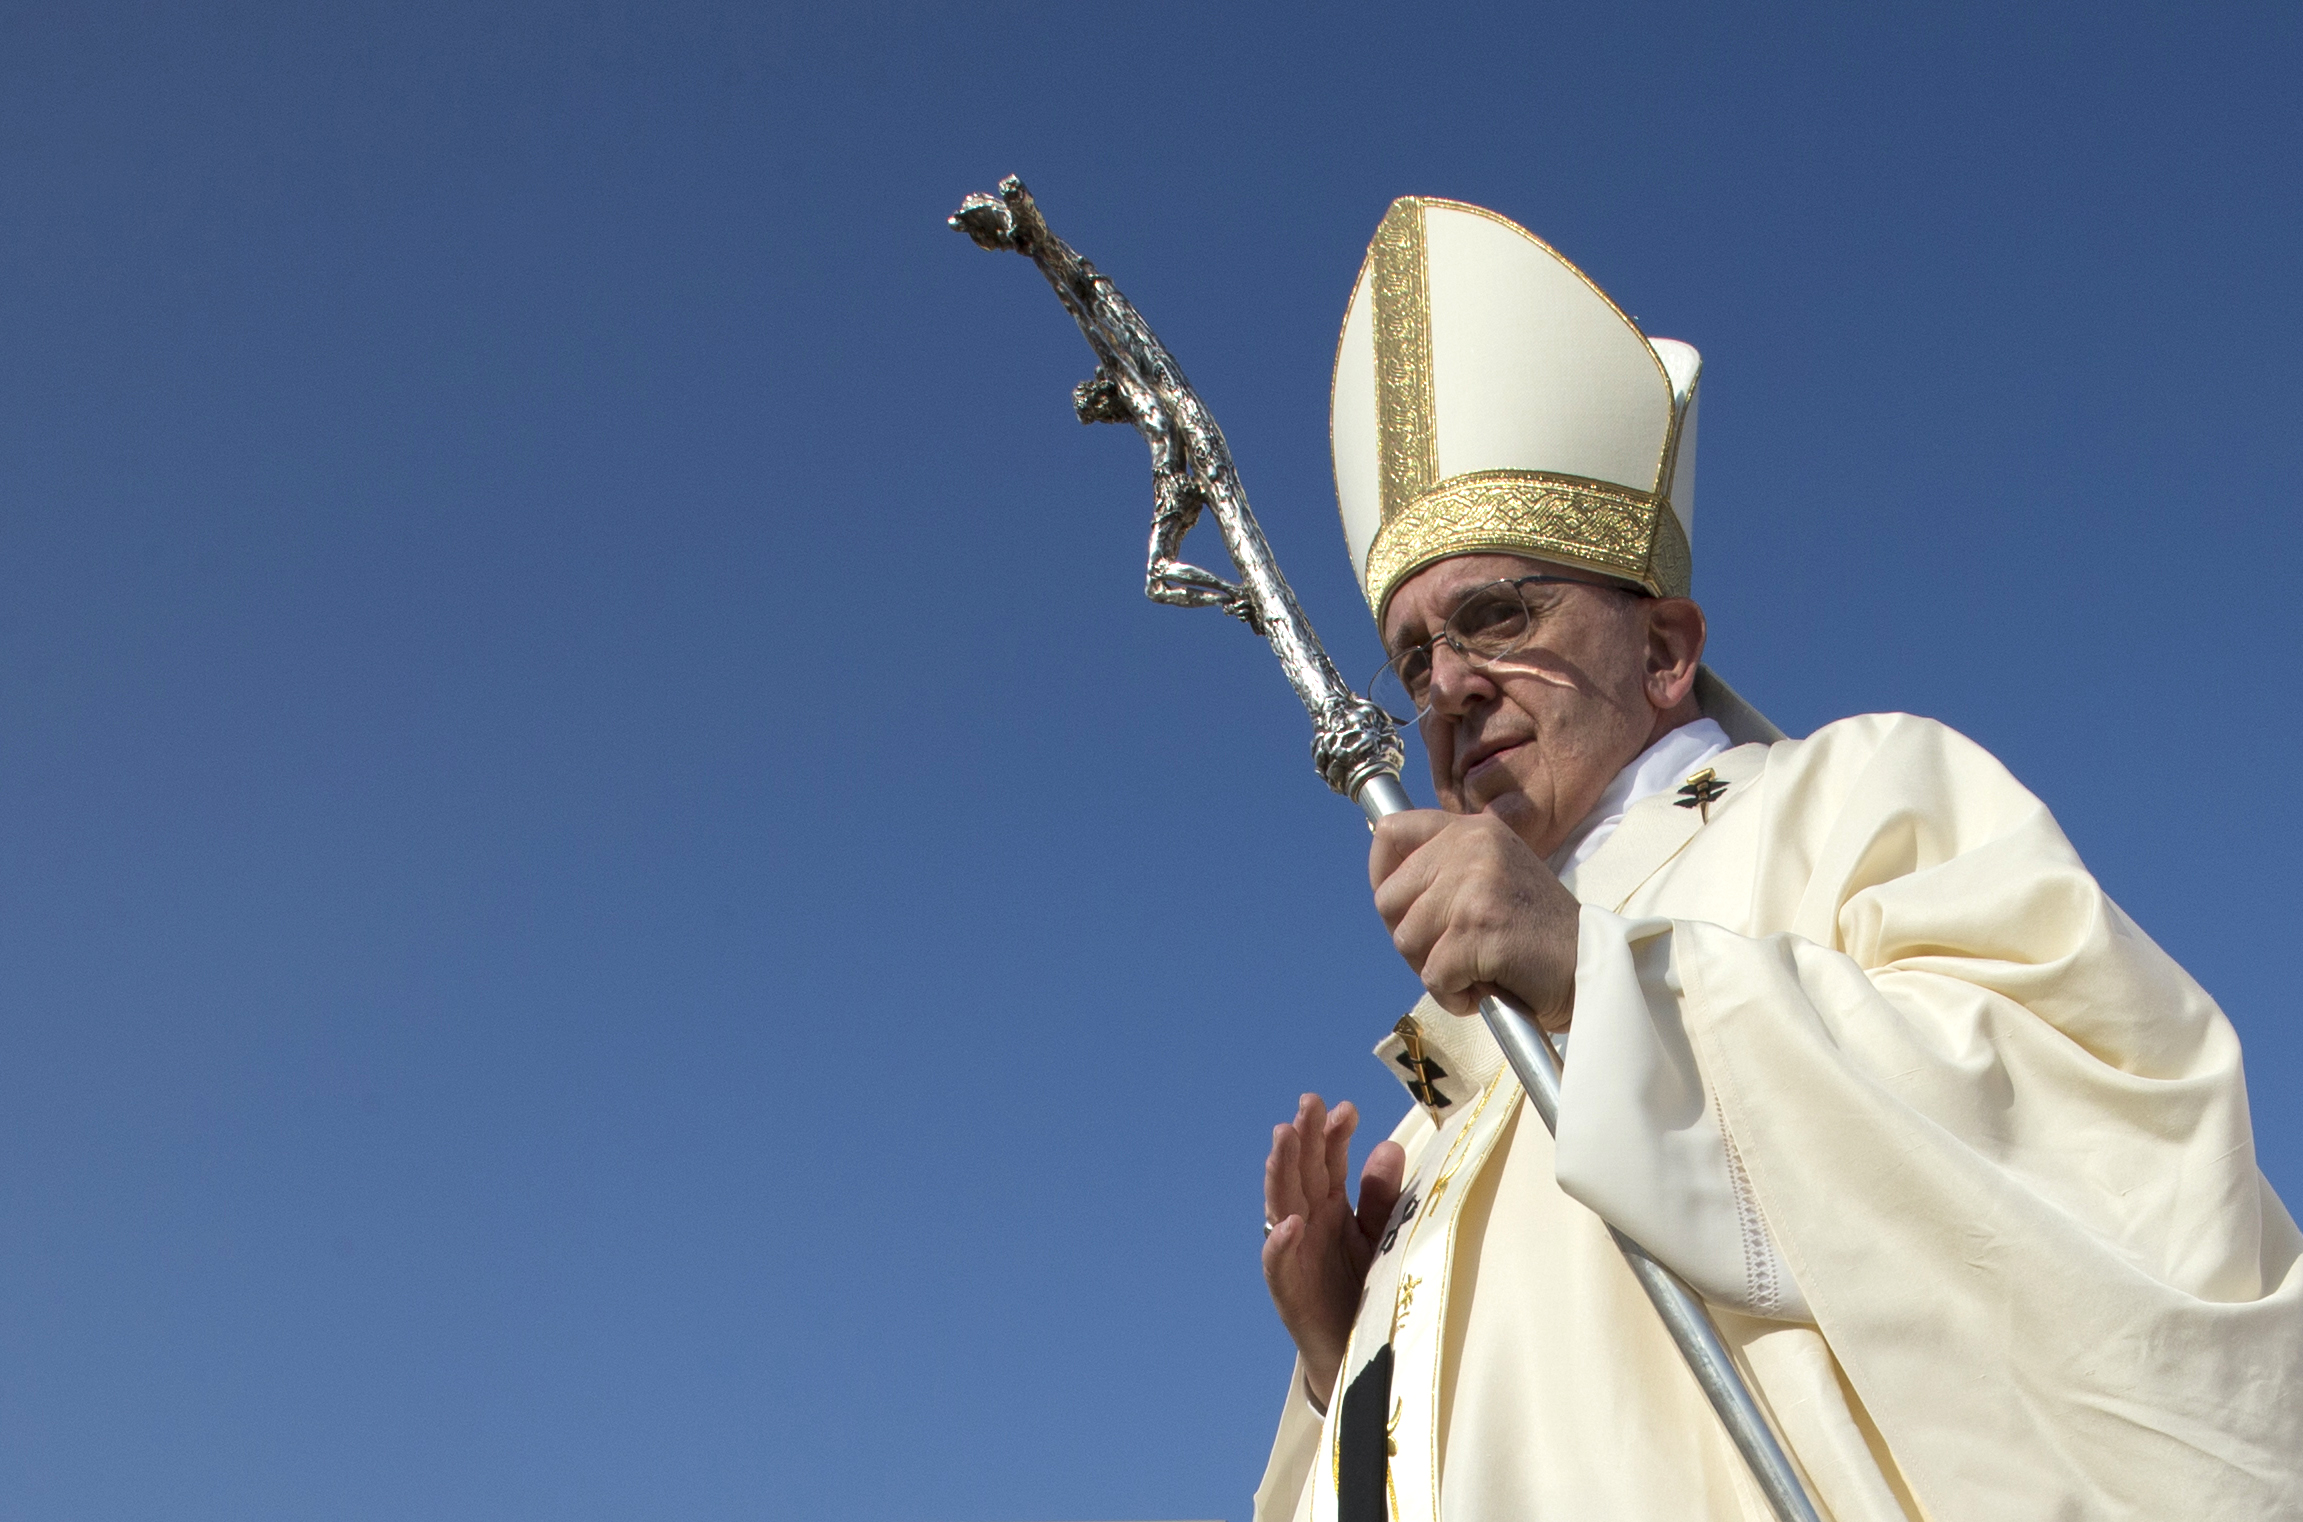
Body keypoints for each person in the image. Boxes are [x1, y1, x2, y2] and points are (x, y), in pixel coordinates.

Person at [1250, 196, 2303, 1522]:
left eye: (1499, 616)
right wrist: (1343, 1355)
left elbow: (2096, 1165)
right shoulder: (1440, 1104)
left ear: (1665, 650)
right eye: (1414, 658)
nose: (1449, 685)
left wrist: (1601, 982)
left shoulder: (1857, 802)